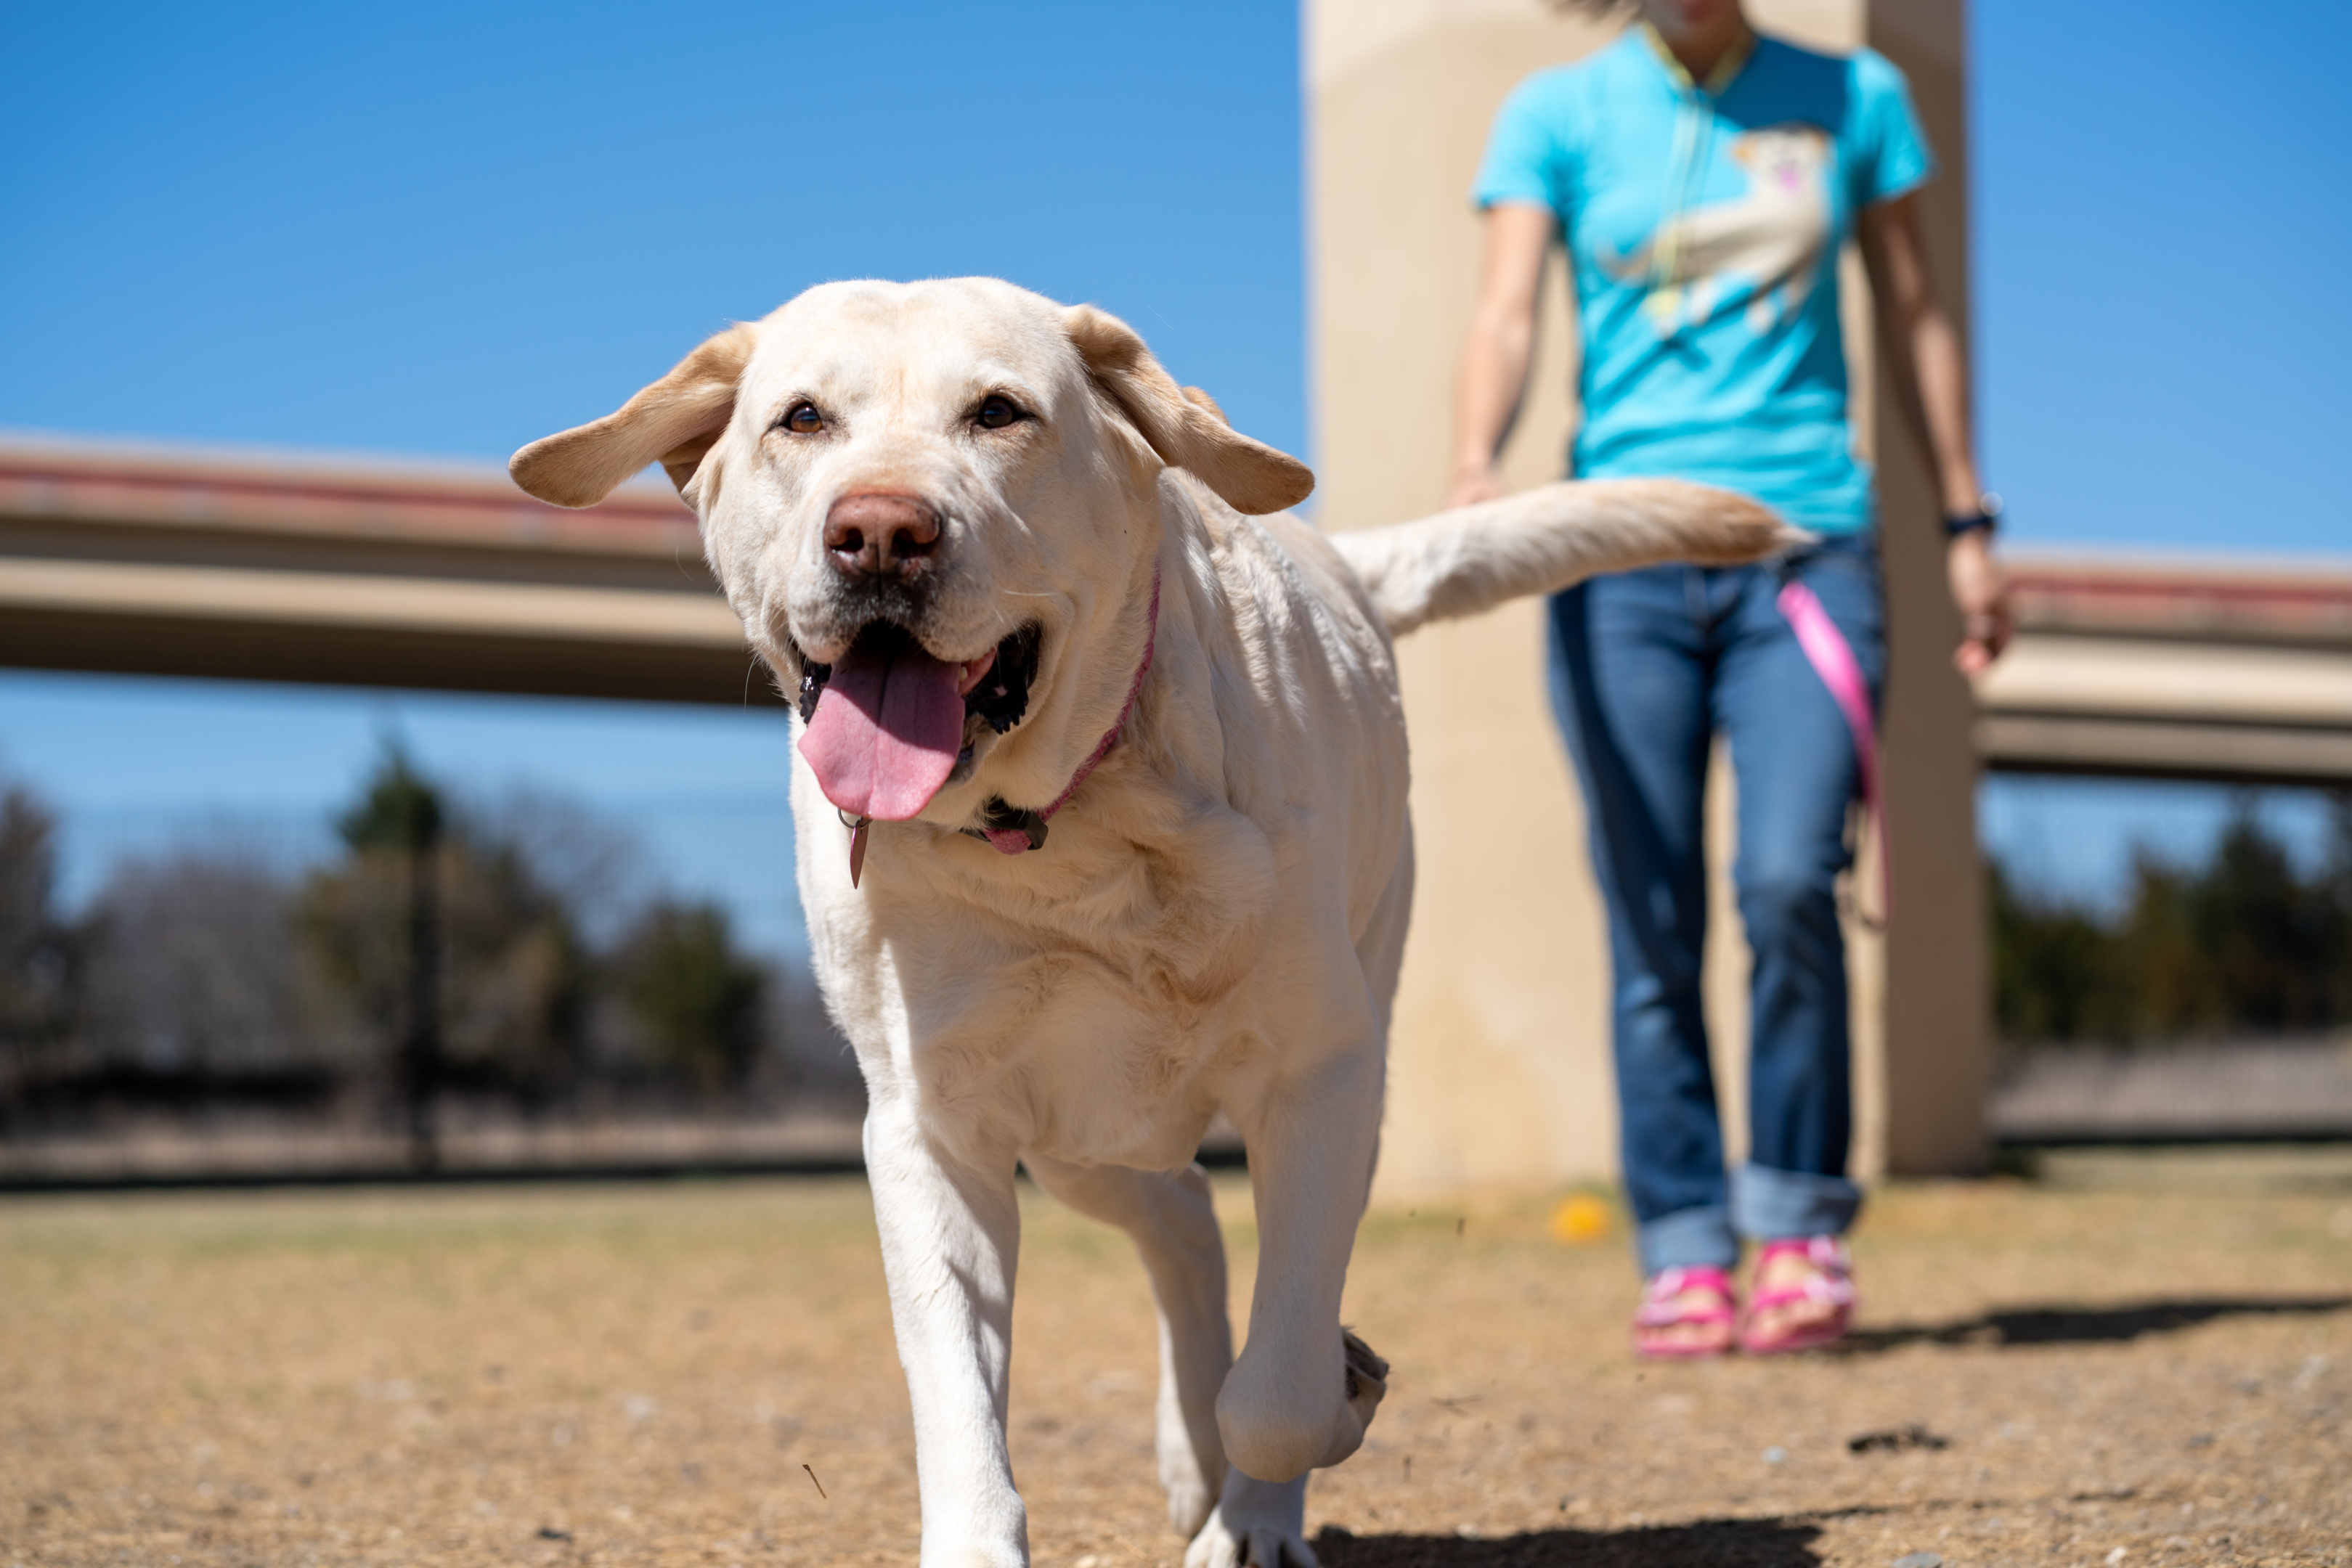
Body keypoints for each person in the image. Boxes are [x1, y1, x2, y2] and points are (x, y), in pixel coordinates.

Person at [1448, 0, 2008, 1355]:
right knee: (1652, 921)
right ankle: (1688, 1244)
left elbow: (1916, 315)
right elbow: (1509, 311)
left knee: (1784, 878)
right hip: (1621, 554)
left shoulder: (1851, 95)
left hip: (1802, 549)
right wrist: (1478, 466)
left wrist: (1969, 523)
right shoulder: (1559, 114)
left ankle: (1800, 1222)